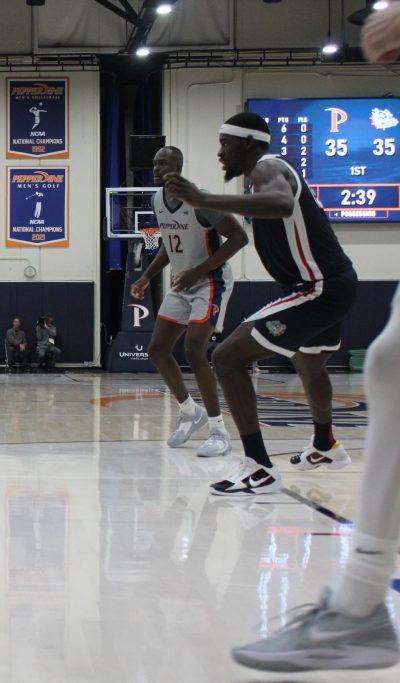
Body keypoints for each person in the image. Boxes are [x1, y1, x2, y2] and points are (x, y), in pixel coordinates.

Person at [231, 5, 400, 671]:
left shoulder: (275, 169)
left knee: (386, 362)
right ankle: (357, 602)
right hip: (321, 285)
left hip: (329, 283)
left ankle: (357, 608)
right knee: (386, 361)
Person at [165, 112, 357, 496]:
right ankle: (326, 445)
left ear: (247, 144)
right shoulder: (260, 179)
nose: (220, 153)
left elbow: (283, 204)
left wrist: (203, 198)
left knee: (227, 357)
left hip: (317, 287)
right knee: (309, 362)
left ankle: (260, 467)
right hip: (330, 284)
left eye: (225, 144)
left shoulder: (269, 168)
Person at [132, 146, 248, 458]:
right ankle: (189, 411)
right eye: (155, 163)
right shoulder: (158, 200)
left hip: (211, 280)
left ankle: (218, 430)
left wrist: (198, 271)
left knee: (194, 348)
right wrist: (146, 277)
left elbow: (239, 239)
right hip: (183, 281)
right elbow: (170, 247)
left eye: (164, 162)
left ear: (179, 166)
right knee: (157, 350)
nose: (157, 167)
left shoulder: (200, 200)